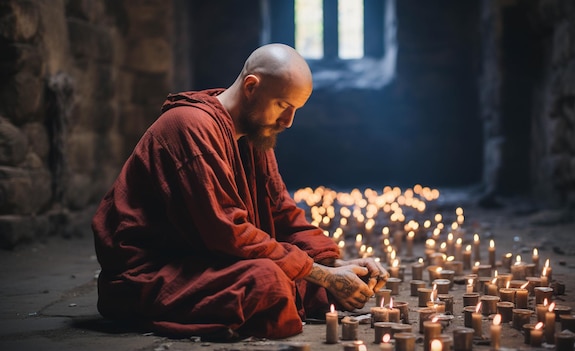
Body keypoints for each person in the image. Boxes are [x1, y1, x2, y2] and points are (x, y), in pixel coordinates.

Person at [92, 43, 388, 340]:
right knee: (269, 282)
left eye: (295, 110)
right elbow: (227, 233)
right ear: (251, 86)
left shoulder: (256, 134)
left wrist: (338, 265)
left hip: (210, 259)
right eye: (284, 106)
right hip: (155, 271)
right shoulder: (189, 127)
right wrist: (323, 275)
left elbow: (282, 213)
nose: (288, 122)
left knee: (319, 287)